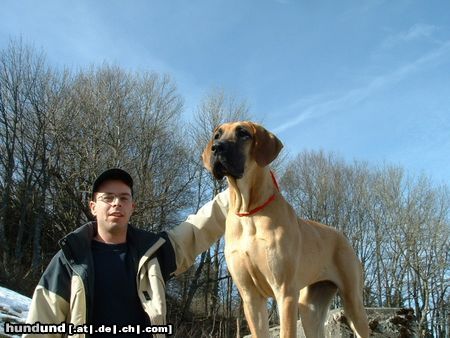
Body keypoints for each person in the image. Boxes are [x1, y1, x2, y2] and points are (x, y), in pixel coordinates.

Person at [25, 168, 228, 338]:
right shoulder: (70, 258)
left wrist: (241, 188)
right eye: (108, 198)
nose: (116, 203)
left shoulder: (153, 252)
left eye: (124, 198)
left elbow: (200, 226)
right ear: (93, 207)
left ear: (132, 207)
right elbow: (41, 324)